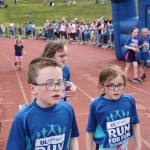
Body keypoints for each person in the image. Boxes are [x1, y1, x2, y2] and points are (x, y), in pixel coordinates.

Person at [6, 57, 79, 150]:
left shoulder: (68, 110)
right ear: (33, 89)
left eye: (60, 82)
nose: (57, 88)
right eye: (49, 84)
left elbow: (72, 137)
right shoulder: (23, 118)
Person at [86, 65, 141, 150]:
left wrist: (138, 146)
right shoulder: (96, 105)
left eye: (120, 85)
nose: (116, 89)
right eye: (111, 85)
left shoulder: (129, 100)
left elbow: (135, 123)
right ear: (102, 87)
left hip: (123, 147)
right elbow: (90, 131)